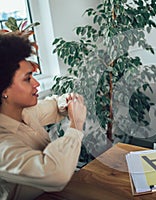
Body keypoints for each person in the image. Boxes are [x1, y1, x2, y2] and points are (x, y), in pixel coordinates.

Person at [0, 33, 87, 199]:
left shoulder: (25, 112)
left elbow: (54, 105)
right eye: (27, 79)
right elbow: (55, 174)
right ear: (4, 91)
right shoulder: (3, 143)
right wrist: (76, 125)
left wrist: (66, 102)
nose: (36, 83)